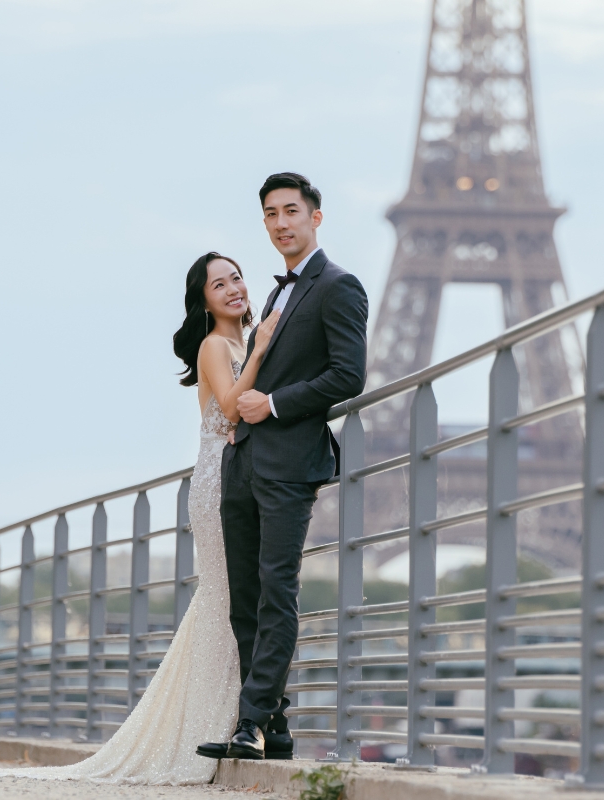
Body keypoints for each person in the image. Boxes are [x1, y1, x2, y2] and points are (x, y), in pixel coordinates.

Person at [0, 252, 280, 784]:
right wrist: (264, 348)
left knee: (231, 599)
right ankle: (223, 725)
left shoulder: (242, 344)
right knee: (227, 598)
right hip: (216, 485)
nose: (232, 289)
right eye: (218, 284)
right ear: (202, 300)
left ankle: (232, 721)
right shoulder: (215, 345)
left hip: (238, 479)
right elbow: (228, 402)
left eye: (237, 278)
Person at [198, 173, 368, 761]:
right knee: (246, 597)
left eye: (291, 211)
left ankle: (249, 725)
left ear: (316, 217)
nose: (280, 223)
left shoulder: (339, 286)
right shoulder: (274, 294)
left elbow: (349, 375)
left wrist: (271, 404)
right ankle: (275, 723)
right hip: (243, 462)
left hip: (290, 461)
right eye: (270, 214)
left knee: (276, 591)